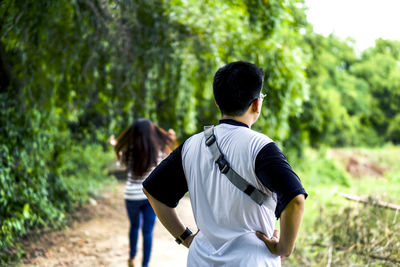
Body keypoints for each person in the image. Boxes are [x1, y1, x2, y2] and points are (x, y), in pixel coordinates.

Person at [142, 61, 307, 266]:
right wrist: (283, 248)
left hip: (200, 259)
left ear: (218, 103)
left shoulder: (191, 145)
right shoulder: (260, 147)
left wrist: (185, 237)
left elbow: (153, 191)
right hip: (250, 260)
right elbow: (295, 200)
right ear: (256, 104)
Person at [112, 118, 176, 267]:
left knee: (134, 226)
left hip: (131, 196)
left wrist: (115, 147)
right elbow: (169, 161)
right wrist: (169, 140)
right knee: (147, 232)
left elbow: (119, 164)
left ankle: (132, 257)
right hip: (150, 197)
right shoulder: (158, 150)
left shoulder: (128, 152)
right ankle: (145, 265)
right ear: (152, 132)